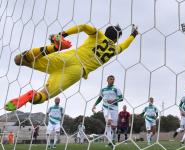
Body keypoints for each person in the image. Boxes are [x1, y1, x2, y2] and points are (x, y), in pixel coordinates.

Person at [5, 24, 139, 111]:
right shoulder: (115, 49)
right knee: (43, 96)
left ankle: (54, 47)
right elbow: (126, 44)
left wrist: (63, 34)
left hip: (69, 58)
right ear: (116, 39)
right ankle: (31, 96)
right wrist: (133, 34)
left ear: (106, 31)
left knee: (20, 59)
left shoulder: (99, 35)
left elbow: (84, 26)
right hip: (77, 72)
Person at [92, 75, 123, 147]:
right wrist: (94, 105)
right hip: (106, 108)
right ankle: (110, 142)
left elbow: (121, 98)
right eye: (111, 79)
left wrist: (113, 100)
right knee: (108, 122)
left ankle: (112, 139)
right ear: (107, 80)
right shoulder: (103, 89)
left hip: (114, 108)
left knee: (114, 127)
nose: (112, 80)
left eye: (113, 79)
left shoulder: (116, 89)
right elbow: (100, 98)